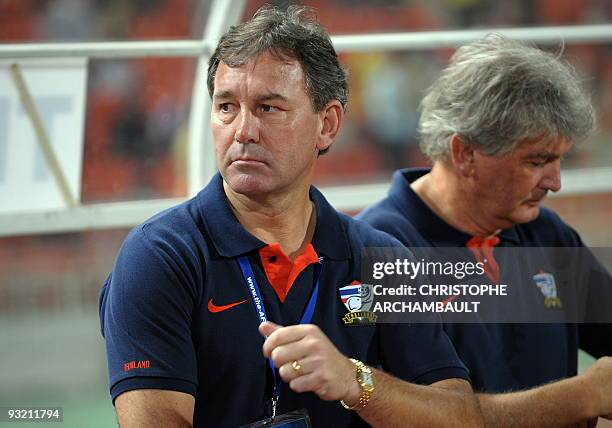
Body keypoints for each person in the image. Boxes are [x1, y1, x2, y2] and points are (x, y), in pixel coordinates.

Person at [99, 6, 483, 428]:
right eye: (227, 107)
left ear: (328, 125)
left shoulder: (382, 257)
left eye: (269, 108)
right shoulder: (159, 256)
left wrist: (357, 382)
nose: (243, 130)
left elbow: (460, 417)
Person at [358, 33, 612, 427]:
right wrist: (582, 396)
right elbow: (432, 419)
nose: (555, 182)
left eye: (560, 160)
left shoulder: (546, 234)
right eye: (538, 161)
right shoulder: (381, 250)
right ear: (466, 154)